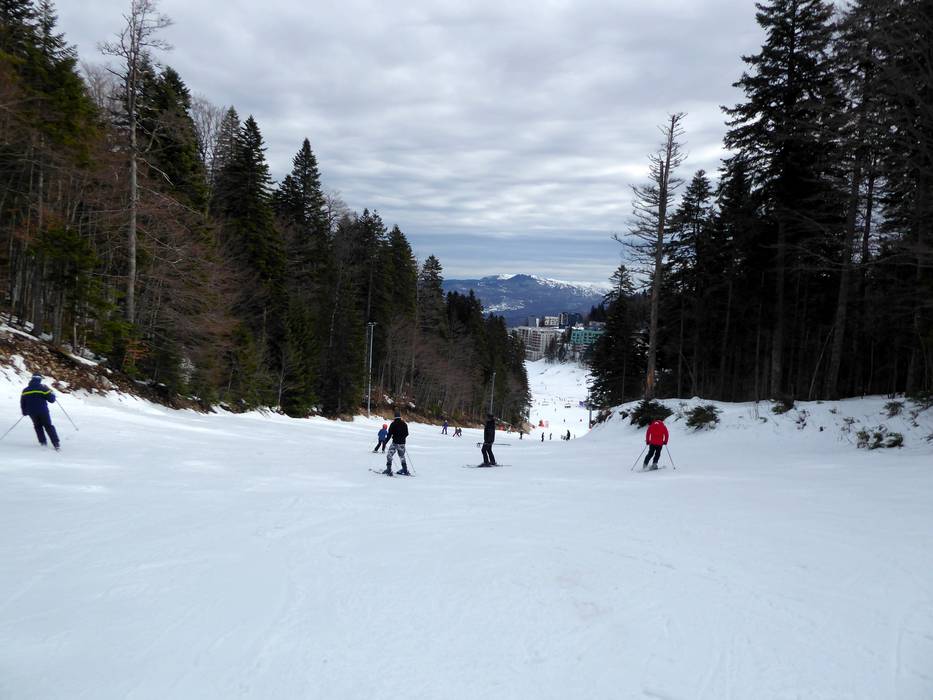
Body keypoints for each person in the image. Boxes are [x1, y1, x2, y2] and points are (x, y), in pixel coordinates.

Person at [20, 373, 60, 451]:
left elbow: (22, 402)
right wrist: (52, 393)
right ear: (40, 379)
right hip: (43, 411)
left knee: (38, 426)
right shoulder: (43, 389)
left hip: (32, 412)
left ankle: (43, 442)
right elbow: (52, 400)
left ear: (32, 379)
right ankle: (56, 443)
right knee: (48, 426)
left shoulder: (25, 390)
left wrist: (24, 411)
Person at [383, 410, 410, 476]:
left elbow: (389, 434)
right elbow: (407, 433)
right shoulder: (404, 424)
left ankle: (388, 469)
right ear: (400, 416)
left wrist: (385, 442)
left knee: (389, 455)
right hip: (402, 443)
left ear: (394, 416)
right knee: (402, 456)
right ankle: (405, 470)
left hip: (395, 443)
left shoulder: (393, 424)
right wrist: (402, 438)